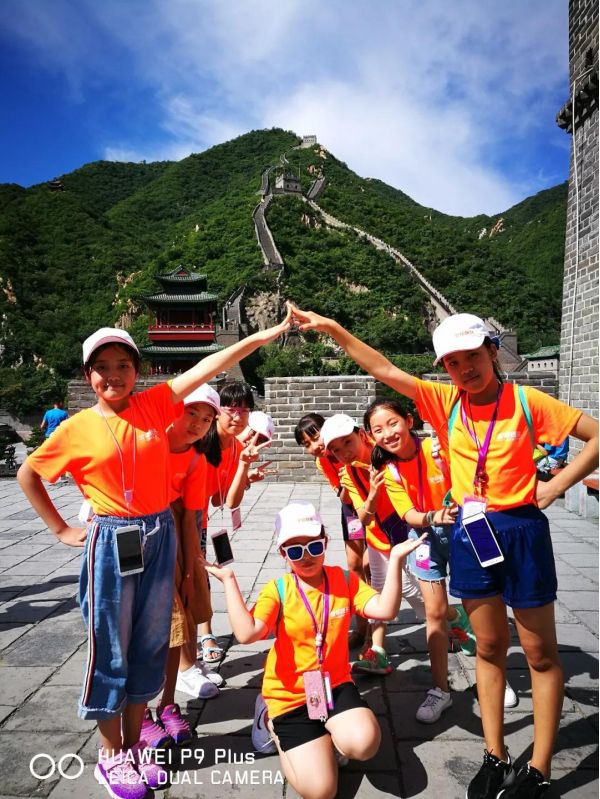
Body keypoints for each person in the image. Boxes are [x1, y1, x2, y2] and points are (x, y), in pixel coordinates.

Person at [289, 304, 599, 799]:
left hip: (522, 530)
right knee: (489, 647)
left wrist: (556, 485)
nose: (464, 368)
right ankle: (495, 754)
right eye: (452, 362)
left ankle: (539, 766)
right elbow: (383, 368)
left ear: (492, 352)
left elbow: (595, 436)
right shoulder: (443, 401)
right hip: (471, 533)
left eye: (472, 356)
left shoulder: (528, 401)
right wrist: (331, 329)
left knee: (540, 653)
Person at [17, 314, 291, 799]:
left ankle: (135, 742)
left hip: (159, 533)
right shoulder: (77, 428)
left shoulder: (153, 404)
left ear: (137, 371)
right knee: (111, 647)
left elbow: (209, 366)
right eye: (102, 367)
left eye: (123, 365)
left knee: (150, 643)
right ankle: (111, 754)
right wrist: (61, 529)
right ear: (88, 375)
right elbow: (29, 474)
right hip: (112, 539)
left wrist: (263, 336)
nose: (114, 375)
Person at [205, 500, 426, 799]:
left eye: (314, 546)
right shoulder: (278, 590)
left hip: (333, 685)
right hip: (289, 695)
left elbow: (385, 610)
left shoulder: (344, 580)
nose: (306, 556)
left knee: (364, 743)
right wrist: (229, 581)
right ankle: (269, 721)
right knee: (321, 791)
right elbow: (246, 634)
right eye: (295, 551)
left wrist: (396, 561)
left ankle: (325, 737)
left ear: (326, 543)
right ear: (283, 553)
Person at [364, 397, 475, 722]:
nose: (387, 433)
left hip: (465, 533)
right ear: (371, 437)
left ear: (409, 420)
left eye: (392, 423)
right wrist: (433, 516)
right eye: (378, 430)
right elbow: (409, 514)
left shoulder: (437, 449)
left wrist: (446, 462)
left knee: (479, 610)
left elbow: (468, 478)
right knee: (435, 613)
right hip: (426, 538)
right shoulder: (389, 470)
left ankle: (493, 677)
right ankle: (440, 689)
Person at [140, 382, 223, 752]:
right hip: (137, 537)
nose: (197, 423)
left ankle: (168, 702)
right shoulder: (147, 445)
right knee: (140, 630)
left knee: (179, 622)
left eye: (206, 419)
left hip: (172, 539)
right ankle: (139, 711)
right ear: (174, 410)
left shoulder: (195, 460)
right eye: (192, 412)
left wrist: (190, 573)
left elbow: (191, 519)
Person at [319, 413, 425, 676]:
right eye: (336, 450)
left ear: (361, 435)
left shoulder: (387, 455)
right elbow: (364, 517)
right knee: (377, 592)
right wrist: (374, 494)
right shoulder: (348, 473)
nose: (344, 452)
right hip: (378, 539)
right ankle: (377, 652)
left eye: (347, 442)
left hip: (408, 534)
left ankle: (450, 620)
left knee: (411, 590)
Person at [294, 413, 369, 649]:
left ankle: (376, 626)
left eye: (315, 437)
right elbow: (343, 496)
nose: (314, 446)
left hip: (378, 507)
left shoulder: (358, 443)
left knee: (372, 565)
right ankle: (362, 628)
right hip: (352, 511)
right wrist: (347, 479)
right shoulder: (324, 462)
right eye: (306, 444)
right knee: (355, 565)